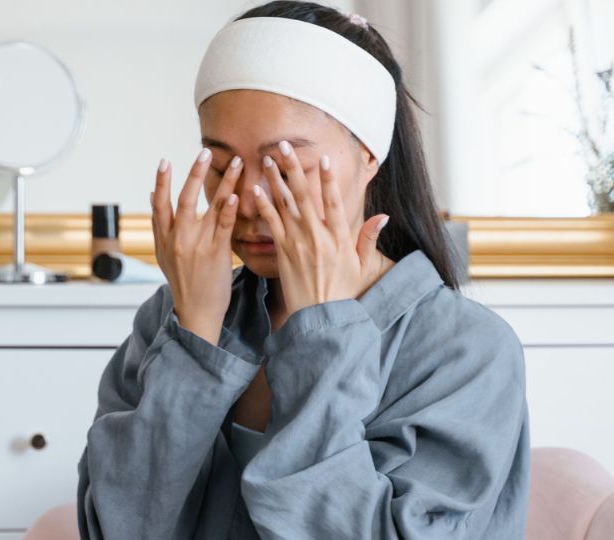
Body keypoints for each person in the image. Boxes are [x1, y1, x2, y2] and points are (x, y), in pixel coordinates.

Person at [75, 2, 530, 538]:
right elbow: (118, 528)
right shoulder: (178, 317)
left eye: (284, 163)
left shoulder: (464, 349)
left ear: (369, 156)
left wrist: (322, 337)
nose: (247, 199)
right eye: (222, 165)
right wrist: (194, 339)